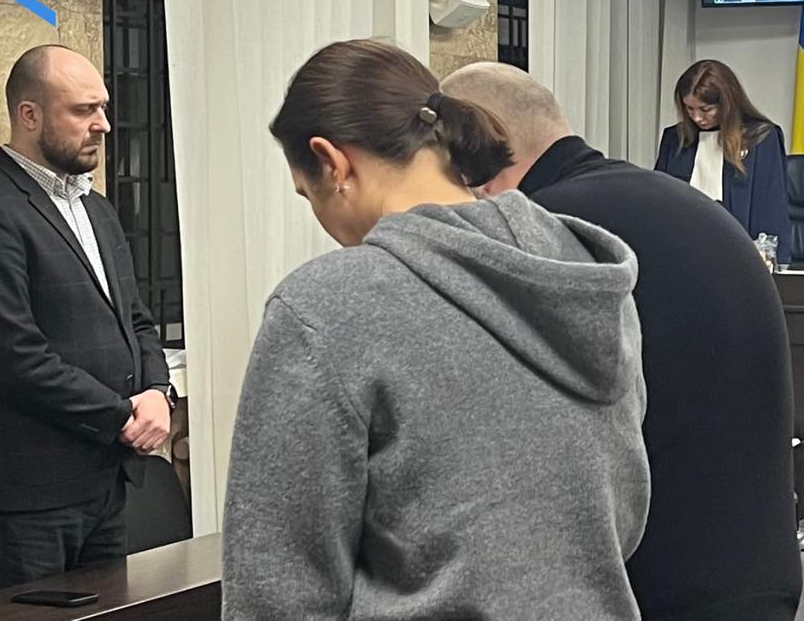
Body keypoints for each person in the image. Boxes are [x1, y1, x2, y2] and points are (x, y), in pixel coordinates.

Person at [222, 40, 650, 619]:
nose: (320, 219)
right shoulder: (581, 272)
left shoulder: (326, 307)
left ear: (333, 162)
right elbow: (625, 512)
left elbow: (276, 590)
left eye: (309, 194)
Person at [443, 62, 802, 621]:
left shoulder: (545, 234)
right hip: (757, 578)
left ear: (477, 151)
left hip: (651, 593)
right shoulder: (683, 205)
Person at [0, 45, 174, 590]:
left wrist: (159, 392)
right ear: (30, 114)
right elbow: (14, 358)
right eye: (84, 110)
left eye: (103, 108)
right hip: (28, 494)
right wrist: (123, 416)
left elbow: (136, 320)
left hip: (105, 482)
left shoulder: (97, 210)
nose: (104, 125)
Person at [656, 60, 793, 264]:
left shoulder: (760, 138)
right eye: (689, 109)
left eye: (705, 109)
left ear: (727, 103)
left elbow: (770, 210)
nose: (697, 117)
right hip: (683, 254)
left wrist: (772, 262)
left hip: (740, 258)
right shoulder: (675, 139)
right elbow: (660, 203)